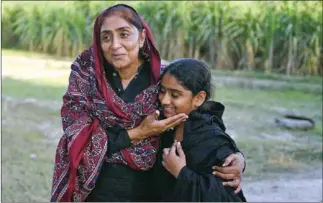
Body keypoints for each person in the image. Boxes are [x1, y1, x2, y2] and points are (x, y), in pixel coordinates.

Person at [50, 4, 245, 202]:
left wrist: (234, 157)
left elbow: (202, 116)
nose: (115, 44)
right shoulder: (86, 78)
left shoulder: (163, 80)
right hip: (93, 189)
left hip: (149, 191)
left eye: (124, 34)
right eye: (106, 37)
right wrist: (139, 133)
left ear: (142, 37)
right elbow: (76, 136)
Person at [152, 58, 247, 201]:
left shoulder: (213, 139)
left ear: (199, 98)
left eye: (175, 95)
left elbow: (226, 197)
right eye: (162, 91)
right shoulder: (164, 123)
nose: (164, 100)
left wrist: (182, 173)